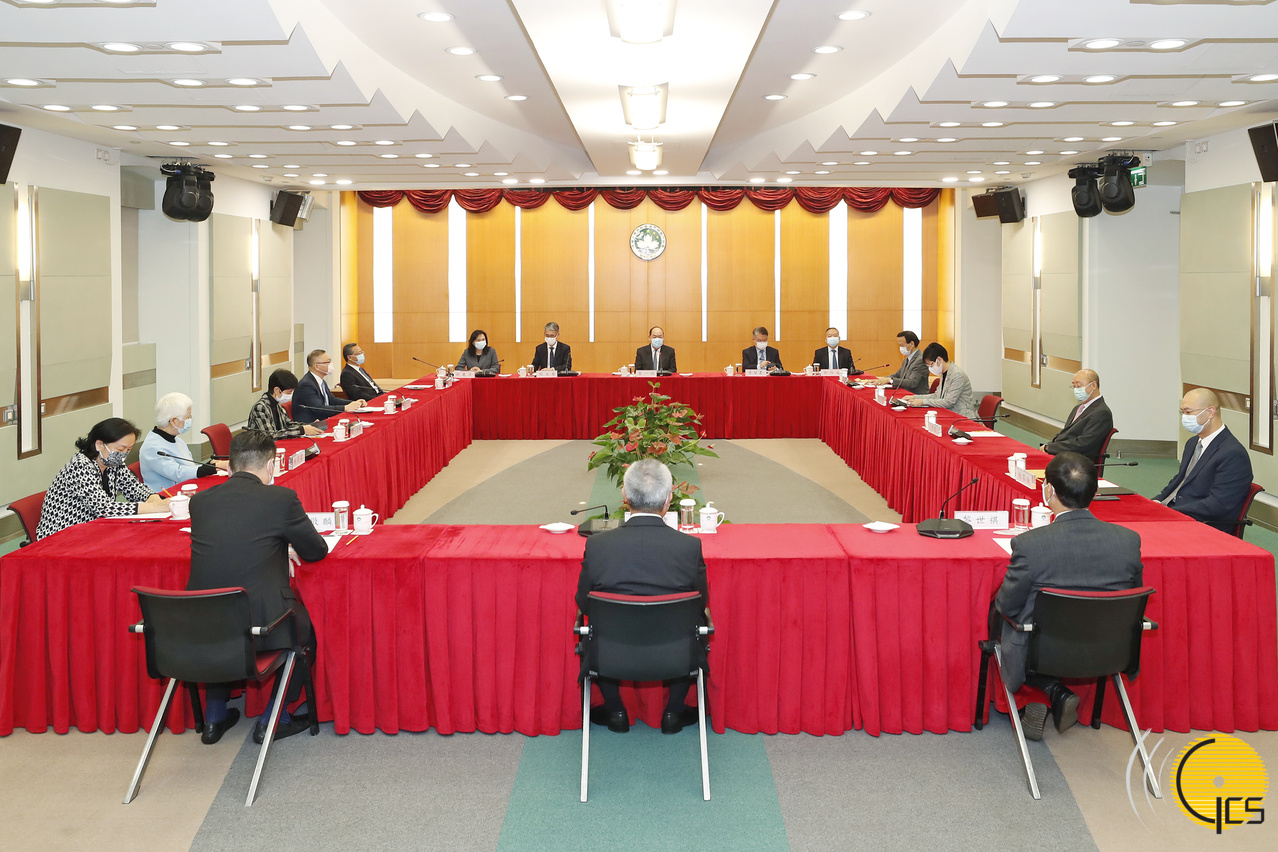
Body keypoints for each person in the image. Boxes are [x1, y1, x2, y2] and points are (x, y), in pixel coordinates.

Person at [187, 430, 329, 745]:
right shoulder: (281, 498)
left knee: (222, 621)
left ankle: (214, 718)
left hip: (201, 621)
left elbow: (232, 541)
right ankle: (273, 720)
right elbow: (315, 551)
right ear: (271, 465)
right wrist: (285, 545)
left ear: (229, 465)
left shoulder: (200, 502)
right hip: (262, 625)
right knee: (304, 634)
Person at [995, 452, 1143, 740]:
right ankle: (1055, 692)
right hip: (1107, 648)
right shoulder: (1128, 541)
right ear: (1095, 492)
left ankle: (1043, 691)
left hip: (1042, 654)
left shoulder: (1029, 545)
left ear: (1048, 490)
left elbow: (1007, 606)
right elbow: (1133, 595)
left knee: (1000, 615)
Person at [576, 459, 711, 735]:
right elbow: (700, 604)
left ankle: (615, 711)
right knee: (693, 624)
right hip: (675, 653)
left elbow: (584, 603)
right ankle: (673, 712)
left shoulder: (597, 545)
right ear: (669, 498)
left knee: (594, 627)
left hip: (610, 653)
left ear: (624, 496)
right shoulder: (690, 547)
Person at [36, 418, 170, 539]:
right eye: (120, 449)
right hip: (63, 535)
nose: (124, 455)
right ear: (99, 444)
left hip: (94, 530)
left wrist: (153, 497)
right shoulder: (80, 465)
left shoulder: (113, 462)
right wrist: (152, 507)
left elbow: (132, 487)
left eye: (128, 450)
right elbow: (103, 507)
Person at [1154, 387, 1254, 532]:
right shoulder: (1192, 443)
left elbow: (1218, 505)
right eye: (1182, 412)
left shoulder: (1233, 454)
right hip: (1178, 514)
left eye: (1188, 412)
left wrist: (1171, 512)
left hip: (1202, 525)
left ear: (1210, 412)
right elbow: (1180, 480)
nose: (1184, 417)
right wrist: (1157, 501)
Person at [139, 392, 227, 492]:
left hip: (185, 487)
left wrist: (211, 464)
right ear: (174, 421)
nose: (190, 420)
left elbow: (189, 467)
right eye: (188, 416)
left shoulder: (176, 440)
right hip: (166, 495)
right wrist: (213, 467)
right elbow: (178, 474)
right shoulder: (152, 447)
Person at [1041, 370, 1112, 460]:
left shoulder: (1102, 412)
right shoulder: (1077, 408)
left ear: (1093, 385)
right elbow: (1065, 434)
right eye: (1074, 386)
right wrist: (1049, 446)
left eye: (1078, 386)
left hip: (1079, 461)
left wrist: (1050, 448)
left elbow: (1084, 443)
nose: (1076, 390)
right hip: (1065, 455)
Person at [904, 342, 978, 420]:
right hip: (949, 414)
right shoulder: (944, 373)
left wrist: (922, 402)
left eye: (930, 364)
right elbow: (937, 396)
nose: (930, 368)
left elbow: (948, 402)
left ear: (939, 360)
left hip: (963, 417)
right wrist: (914, 397)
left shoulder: (957, 374)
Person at [292, 349, 366, 424]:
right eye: (328, 362)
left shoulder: (320, 381)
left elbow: (332, 400)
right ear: (317, 366)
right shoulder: (306, 385)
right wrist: (345, 408)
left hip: (323, 420)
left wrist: (354, 403)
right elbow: (319, 408)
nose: (331, 364)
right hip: (311, 424)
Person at [248, 369, 324, 439]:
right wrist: (302, 430)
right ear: (277, 390)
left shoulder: (277, 405)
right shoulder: (260, 407)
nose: (291, 395)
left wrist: (309, 425)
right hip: (261, 448)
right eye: (289, 392)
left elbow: (289, 424)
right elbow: (270, 435)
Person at [872, 330, 929, 394]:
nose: (900, 348)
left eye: (901, 345)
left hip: (916, 396)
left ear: (912, 344)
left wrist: (890, 380)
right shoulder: (907, 359)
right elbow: (897, 375)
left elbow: (912, 382)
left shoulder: (920, 360)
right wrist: (880, 380)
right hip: (906, 393)